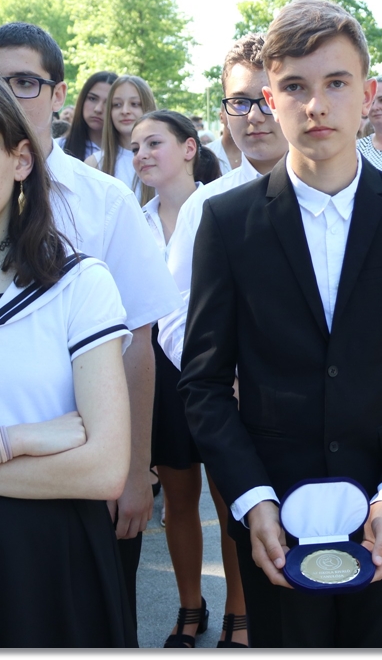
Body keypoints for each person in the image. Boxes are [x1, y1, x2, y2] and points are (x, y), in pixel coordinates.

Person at [177, 0, 382, 648]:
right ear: (271, 100)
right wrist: (252, 498)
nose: (316, 105)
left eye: (336, 83)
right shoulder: (228, 223)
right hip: (276, 513)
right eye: (295, 87)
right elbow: (204, 383)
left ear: (368, 95)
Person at [0, 22, 183, 641]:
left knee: (93, 622)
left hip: (85, 467)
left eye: (24, 82)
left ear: (59, 93)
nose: (5, 96)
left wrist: (137, 469)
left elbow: (138, 340)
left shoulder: (102, 201)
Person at [0, 65, 135, 648]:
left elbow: (103, 469)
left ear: (20, 159)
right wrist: (15, 439)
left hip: (52, 571)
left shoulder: (80, 284)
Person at [129, 110, 249, 648]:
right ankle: (190, 606)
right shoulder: (132, 219)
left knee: (231, 502)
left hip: (218, 372)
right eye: (135, 148)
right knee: (178, 500)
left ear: (188, 147)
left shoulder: (222, 205)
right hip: (157, 373)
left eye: (153, 142)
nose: (142, 155)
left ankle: (239, 613)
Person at [156, 32, 289, 371]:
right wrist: (227, 383)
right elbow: (176, 315)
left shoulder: (333, 194)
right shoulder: (203, 206)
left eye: (266, 99)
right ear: (225, 112)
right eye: (239, 102)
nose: (253, 116)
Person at [85, 75, 158, 204]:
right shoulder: (95, 163)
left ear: (148, 107)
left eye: (134, 104)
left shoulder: (165, 158)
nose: (125, 111)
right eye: (117, 105)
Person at [60, 70, 118, 161]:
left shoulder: (129, 155)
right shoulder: (58, 147)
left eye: (108, 103)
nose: (98, 109)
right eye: (92, 98)